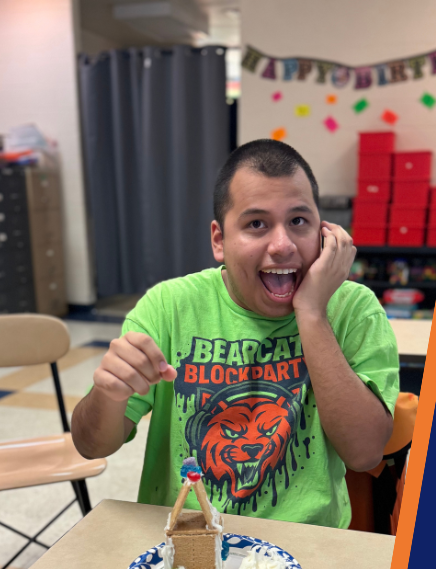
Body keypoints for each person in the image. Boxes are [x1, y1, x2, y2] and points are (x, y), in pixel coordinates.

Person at [72, 140, 398, 528]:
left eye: (298, 221)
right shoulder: (169, 307)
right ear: (219, 240)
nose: (282, 245)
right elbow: (91, 445)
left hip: (307, 541)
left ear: (326, 235)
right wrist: (108, 394)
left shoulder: (353, 308)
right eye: (256, 224)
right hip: (187, 534)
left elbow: (364, 454)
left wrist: (311, 313)